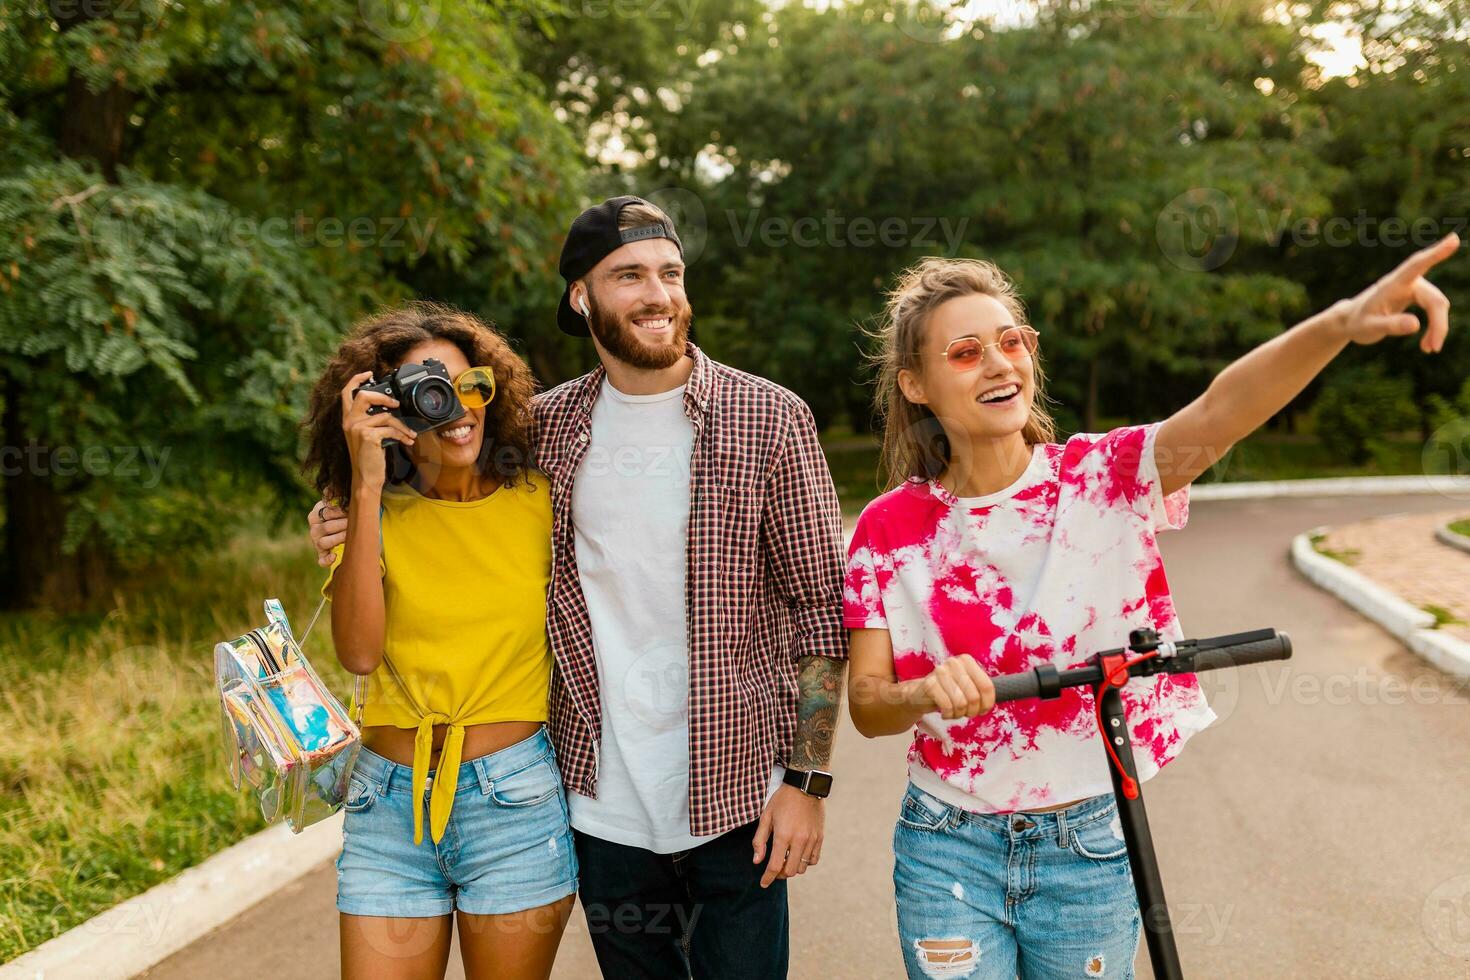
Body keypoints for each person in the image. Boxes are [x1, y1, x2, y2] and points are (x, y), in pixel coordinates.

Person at [844, 235, 1459, 979]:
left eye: (1013, 341)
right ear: (915, 385)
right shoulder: (887, 528)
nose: (1002, 363)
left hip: (1088, 841)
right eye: (966, 353)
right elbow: (871, 706)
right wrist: (924, 690)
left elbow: (1220, 411)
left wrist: (1340, 322)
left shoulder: (1102, 478)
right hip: (945, 843)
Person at [309, 197, 849, 979]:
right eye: (628, 275)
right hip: (599, 810)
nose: (657, 294)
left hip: (738, 799)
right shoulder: (547, 432)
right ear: (581, 297)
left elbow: (819, 614)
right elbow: (432, 480)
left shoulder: (770, 418)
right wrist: (343, 510)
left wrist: (808, 781)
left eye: (670, 272)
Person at [302, 302, 576, 980]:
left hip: (513, 804)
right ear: (384, 411)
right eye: (424, 392)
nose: (452, 407)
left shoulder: (543, 500)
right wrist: (363, 490)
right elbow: (360, 653)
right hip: (386, 807)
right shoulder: (364, 514)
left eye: (466, 384)